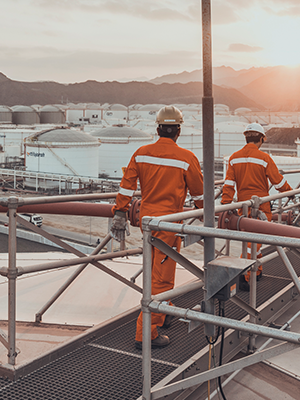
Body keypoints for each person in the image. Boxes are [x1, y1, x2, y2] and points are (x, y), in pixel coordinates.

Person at [111, 105, 204, 349]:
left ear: (158, 129)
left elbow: (126, 187)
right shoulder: (187, 158)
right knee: (162, 279)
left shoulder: (141, 153)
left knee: (156, 270)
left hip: (147, 222)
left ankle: (165, 310)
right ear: (178, 131)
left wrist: (120, 211)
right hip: (169, 225)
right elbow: (199, 195)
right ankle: (146, 334)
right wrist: (209, 218)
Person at [221, 123, 293, 290]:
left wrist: (226, 203)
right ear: (261, 139)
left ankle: (257, 270)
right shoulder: (264, 158)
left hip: (243, 206)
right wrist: (289, 192)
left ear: (246, 137)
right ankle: (243, 276)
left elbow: (229, 184)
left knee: (252, 241)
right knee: (254, 242)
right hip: (261, 207)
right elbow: (278, 181)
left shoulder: (234, 157)